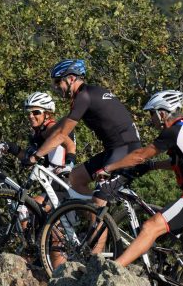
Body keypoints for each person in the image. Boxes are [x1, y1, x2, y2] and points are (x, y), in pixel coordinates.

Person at [98, 90, 183, 284]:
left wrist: (108, 168)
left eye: (152, 113)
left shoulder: (173, 131)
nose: (152, 119)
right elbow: (178, 162)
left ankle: (113, 270)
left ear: (162, 113)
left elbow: (140, 154)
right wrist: (152, 166)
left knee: (150, 227)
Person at [30, 59, 141, 197]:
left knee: (100, 197)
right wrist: (42, 136)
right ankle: (96, 215)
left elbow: (61, 135)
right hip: (115, 149)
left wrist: (35, 156)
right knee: (75, 178)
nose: (56, 87)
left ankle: (101, 215)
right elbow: (62, 125)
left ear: (71, 79)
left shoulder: (83, 97)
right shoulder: (88, 93)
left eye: (58, 82)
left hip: (125, 149)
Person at [0, 91, 76, 173]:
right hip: (48, 178)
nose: (30, 116)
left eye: (36, 112)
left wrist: (69, 165)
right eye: (28, 112)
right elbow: (28, 158)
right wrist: (9, 147)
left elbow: (70, 145)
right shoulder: (38, 130)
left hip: (60, 178)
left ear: (47, 114)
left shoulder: (50, 127)